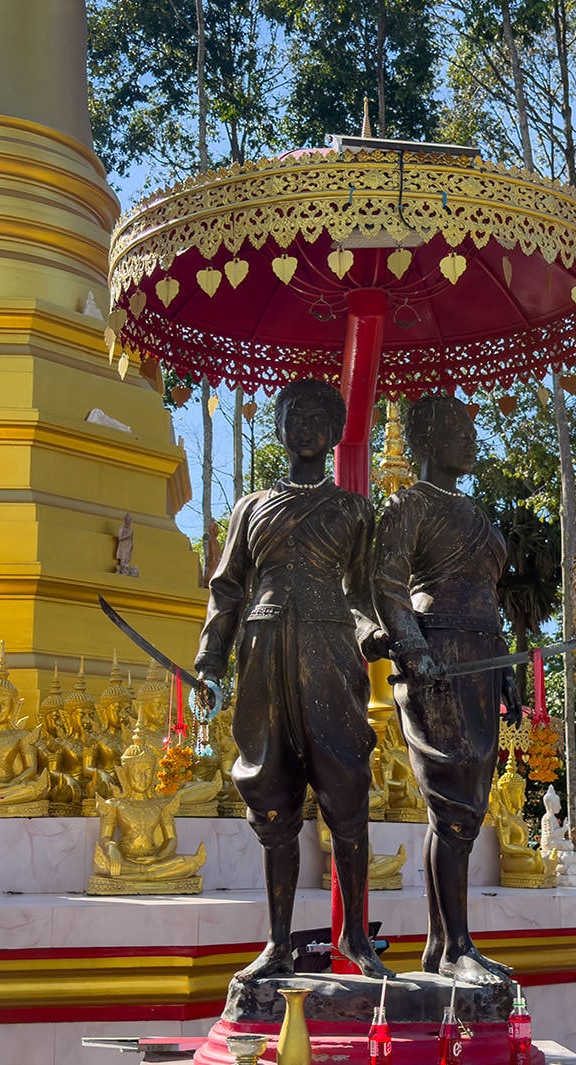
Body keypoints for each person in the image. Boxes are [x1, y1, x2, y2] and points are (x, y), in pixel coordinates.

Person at [194, 378, 390, 981]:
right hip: (264, 648)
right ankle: (279, 942)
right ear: (278, 428)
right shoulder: (251, 507)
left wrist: (373, 633)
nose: (303, 425)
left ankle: (355, 936)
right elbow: (227, 588)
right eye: (292, 415)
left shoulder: (356, 511)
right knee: (271, 797)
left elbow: (364, 593)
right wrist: (210, 657)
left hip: (329, 649)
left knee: (346, 788)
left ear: (335, 434)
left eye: (316, 417)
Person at [373, 393, 520, 986]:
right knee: (452, 805)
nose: (470, 440)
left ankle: (444, 945)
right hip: (437, 656)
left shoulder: (473, 510)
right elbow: (384, 586)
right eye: (457, 430)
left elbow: (488, 598)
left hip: (480, 656)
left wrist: (504, 661)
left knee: (468, 807)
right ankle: (455, 944)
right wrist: (413, 648)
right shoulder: (408, 505)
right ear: (428, 440)